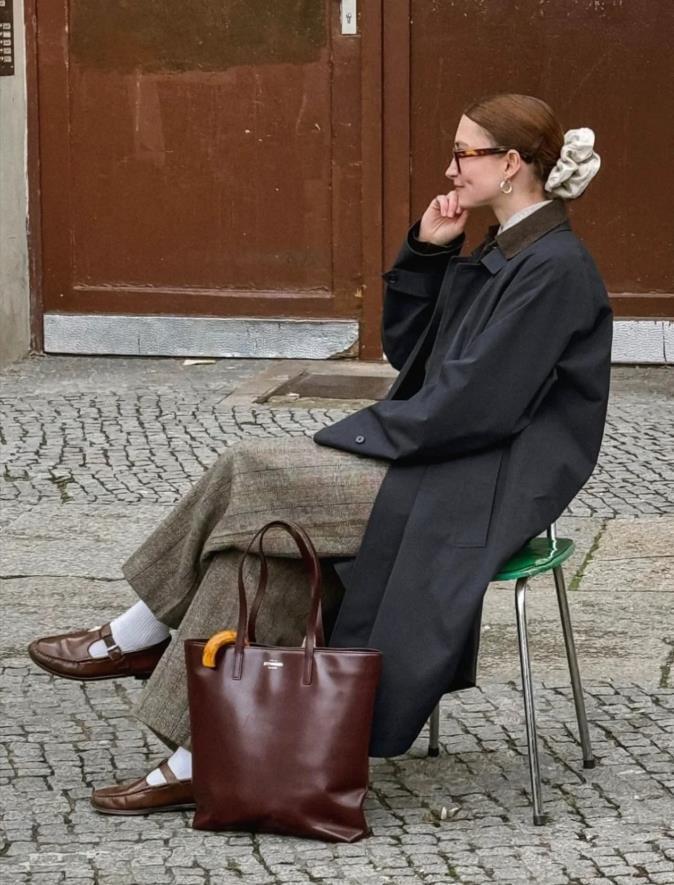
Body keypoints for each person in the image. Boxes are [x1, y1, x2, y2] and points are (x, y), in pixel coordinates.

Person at [28, 93, 612, 815]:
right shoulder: (507, 248)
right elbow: (416, 355)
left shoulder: (554, 268)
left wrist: (357, 436)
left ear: (512, 163)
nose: (450, 167)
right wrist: (429, 252)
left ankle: (139, 633)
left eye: (463, 152)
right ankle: (200, 753)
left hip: (475, 482)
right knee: (253, 556)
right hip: (438, 459)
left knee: (248, 468)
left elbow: (475, 406)